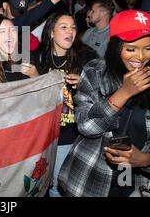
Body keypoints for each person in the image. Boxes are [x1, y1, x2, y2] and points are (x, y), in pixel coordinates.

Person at [58, 10, 150, 197]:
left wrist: (148, 158)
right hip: (91, 179)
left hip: (140, 182)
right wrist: (123, 93)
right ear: (115, 46)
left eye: (149, 48)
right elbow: (86, 125)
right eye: (131, 49)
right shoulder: (94, 71)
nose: (141, 57)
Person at [35, 11, 98, 196]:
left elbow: (106, 88)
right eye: (63, 27)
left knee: (66, 186)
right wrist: (35, 78)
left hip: (74, 135)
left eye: (73, 27)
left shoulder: (87, 57)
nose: (69, 32)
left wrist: (85, 82)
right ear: (51, 33)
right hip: (44, 135)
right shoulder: (38, 58)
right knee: (50, 184)